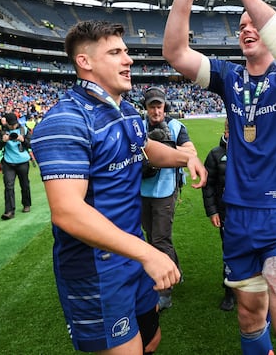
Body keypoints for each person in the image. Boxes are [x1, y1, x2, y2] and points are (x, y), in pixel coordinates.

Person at [163, 0, 276, 355]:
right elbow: (176, 54)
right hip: (239, 218)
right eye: (241, 25)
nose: (246, 28)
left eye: (255, 24)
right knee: (250, 320)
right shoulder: (230, 78)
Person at [31, 20, 205, 354]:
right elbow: (67, 211)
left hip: (131, 253)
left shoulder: (125, 111)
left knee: (151, 338)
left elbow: (142, 148)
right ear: (85, 62)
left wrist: (185, 159)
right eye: (115, 52)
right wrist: (147, 253)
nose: (128, 60)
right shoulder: (66, 120)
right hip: (96, 267)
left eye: (125, 51)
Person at [140, 86, 197, 311]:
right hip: (142, 190)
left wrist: (165, 147)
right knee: (152, 235)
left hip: (165, 190)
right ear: (146, 108)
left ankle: (165, 292)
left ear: (165, 107)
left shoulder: (175, 126)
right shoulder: (138, 126)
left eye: (159, 106)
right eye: (152, 106)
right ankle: (176, 271)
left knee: (159, 240)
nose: (156, 111)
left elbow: (191, 154)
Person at [199, 119, 235, 312]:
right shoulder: (215, 154)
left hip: (250, 214)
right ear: (226, 131)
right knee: (230, 253)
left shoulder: (250, 150)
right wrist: (212, 211)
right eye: (232, 129)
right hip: (226, 213)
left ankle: (252, 289)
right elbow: (208, 185)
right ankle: (229, 292)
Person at [0, 112, 31, 220]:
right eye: (11, 124)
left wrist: (23, 140)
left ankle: (26, 204)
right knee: (8, 186)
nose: (13, 126)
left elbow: (31, 144)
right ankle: (9, 211)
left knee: (24, 184)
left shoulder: (24, 129)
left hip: (23, 161)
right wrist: (3, 141)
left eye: (14, 124)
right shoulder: (2, 132)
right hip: (8, 162)